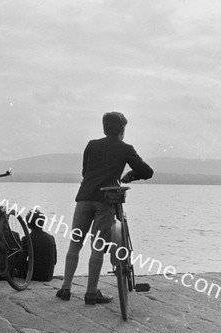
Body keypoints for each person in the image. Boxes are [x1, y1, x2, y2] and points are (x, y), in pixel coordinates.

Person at [57, 112, 153, 305]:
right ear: (122, 130)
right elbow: (147, 171)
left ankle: (65, 288)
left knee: (75, 243)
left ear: (104, 128)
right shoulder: (125, 148)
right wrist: (130, 176)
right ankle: (91, 292)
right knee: (97, 247)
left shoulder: (92, 145)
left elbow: (85, 171)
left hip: (84, 197)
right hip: (105, 200)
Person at [24, 209, 57, 282]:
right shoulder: (51, 238)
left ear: (28, 224)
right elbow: (54, 260)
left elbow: (21, 261)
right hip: (48, 275)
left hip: (32, 274)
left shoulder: (26, 239)